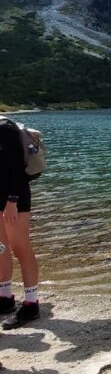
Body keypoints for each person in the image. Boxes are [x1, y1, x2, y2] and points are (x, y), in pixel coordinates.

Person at [0, 118, 40, 327]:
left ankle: (31, 304)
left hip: (14, 199)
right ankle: (5, 297)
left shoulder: (4, 129)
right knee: (1, 248)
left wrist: (12, 201)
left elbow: (17, 167)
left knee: (20, 248)